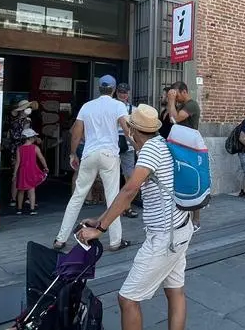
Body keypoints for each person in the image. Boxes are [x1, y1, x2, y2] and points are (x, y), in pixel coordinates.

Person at [78, 105, 193, 330]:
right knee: (175, 290)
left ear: (132, 129)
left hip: (164, 238)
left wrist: (100, 228)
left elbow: (129, 191)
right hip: (180, 228)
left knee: (127, 298)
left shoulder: (150, 150)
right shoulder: (163, 144)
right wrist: (100, 217)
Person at [54, 75, 131, 251]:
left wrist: (73, 154)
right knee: (113, 197)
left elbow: (76, 132)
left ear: (99, 88)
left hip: (89, 153)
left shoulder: (87, 107)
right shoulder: (118, 105)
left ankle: (60, 239)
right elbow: (127, 130)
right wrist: (138, 146)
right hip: (109, 154)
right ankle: (115, 241)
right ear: (113, 90)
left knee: (77, 197)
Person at [166, 81, 202, 229]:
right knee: (180, 181)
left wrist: (171, 100)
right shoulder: (180, 105)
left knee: (192, 181)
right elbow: (169, 117)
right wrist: (169, 100)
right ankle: (182, 217)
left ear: (184, 92)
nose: (176, 97)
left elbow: (174, 119)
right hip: (180, 147)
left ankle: (196, 220)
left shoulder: (191, 105)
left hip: (191, 149)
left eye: (176, 93)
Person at [115, 83, 139, 219]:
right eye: (120, 92)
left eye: (125, 92)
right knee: (112, 177)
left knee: (129, 176)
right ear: (116, 92)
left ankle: (127, 206)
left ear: (129, 93)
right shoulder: (111, 107)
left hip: (128, 147)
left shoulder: (133, 109)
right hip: (112, 146)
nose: (123, 94)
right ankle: (117, 206)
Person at [14, 128, 49, 215]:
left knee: (21, 190)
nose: (35, 139)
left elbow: (17, 162)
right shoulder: (35, 148)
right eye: (34, 137)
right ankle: (32, 209)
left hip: (22, 171)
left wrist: (14, 173)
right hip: (31, 170)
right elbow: (41, 158)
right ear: (30, 138)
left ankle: (19, 209)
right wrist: (46, 167)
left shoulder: (19, 148)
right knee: (31, 190)